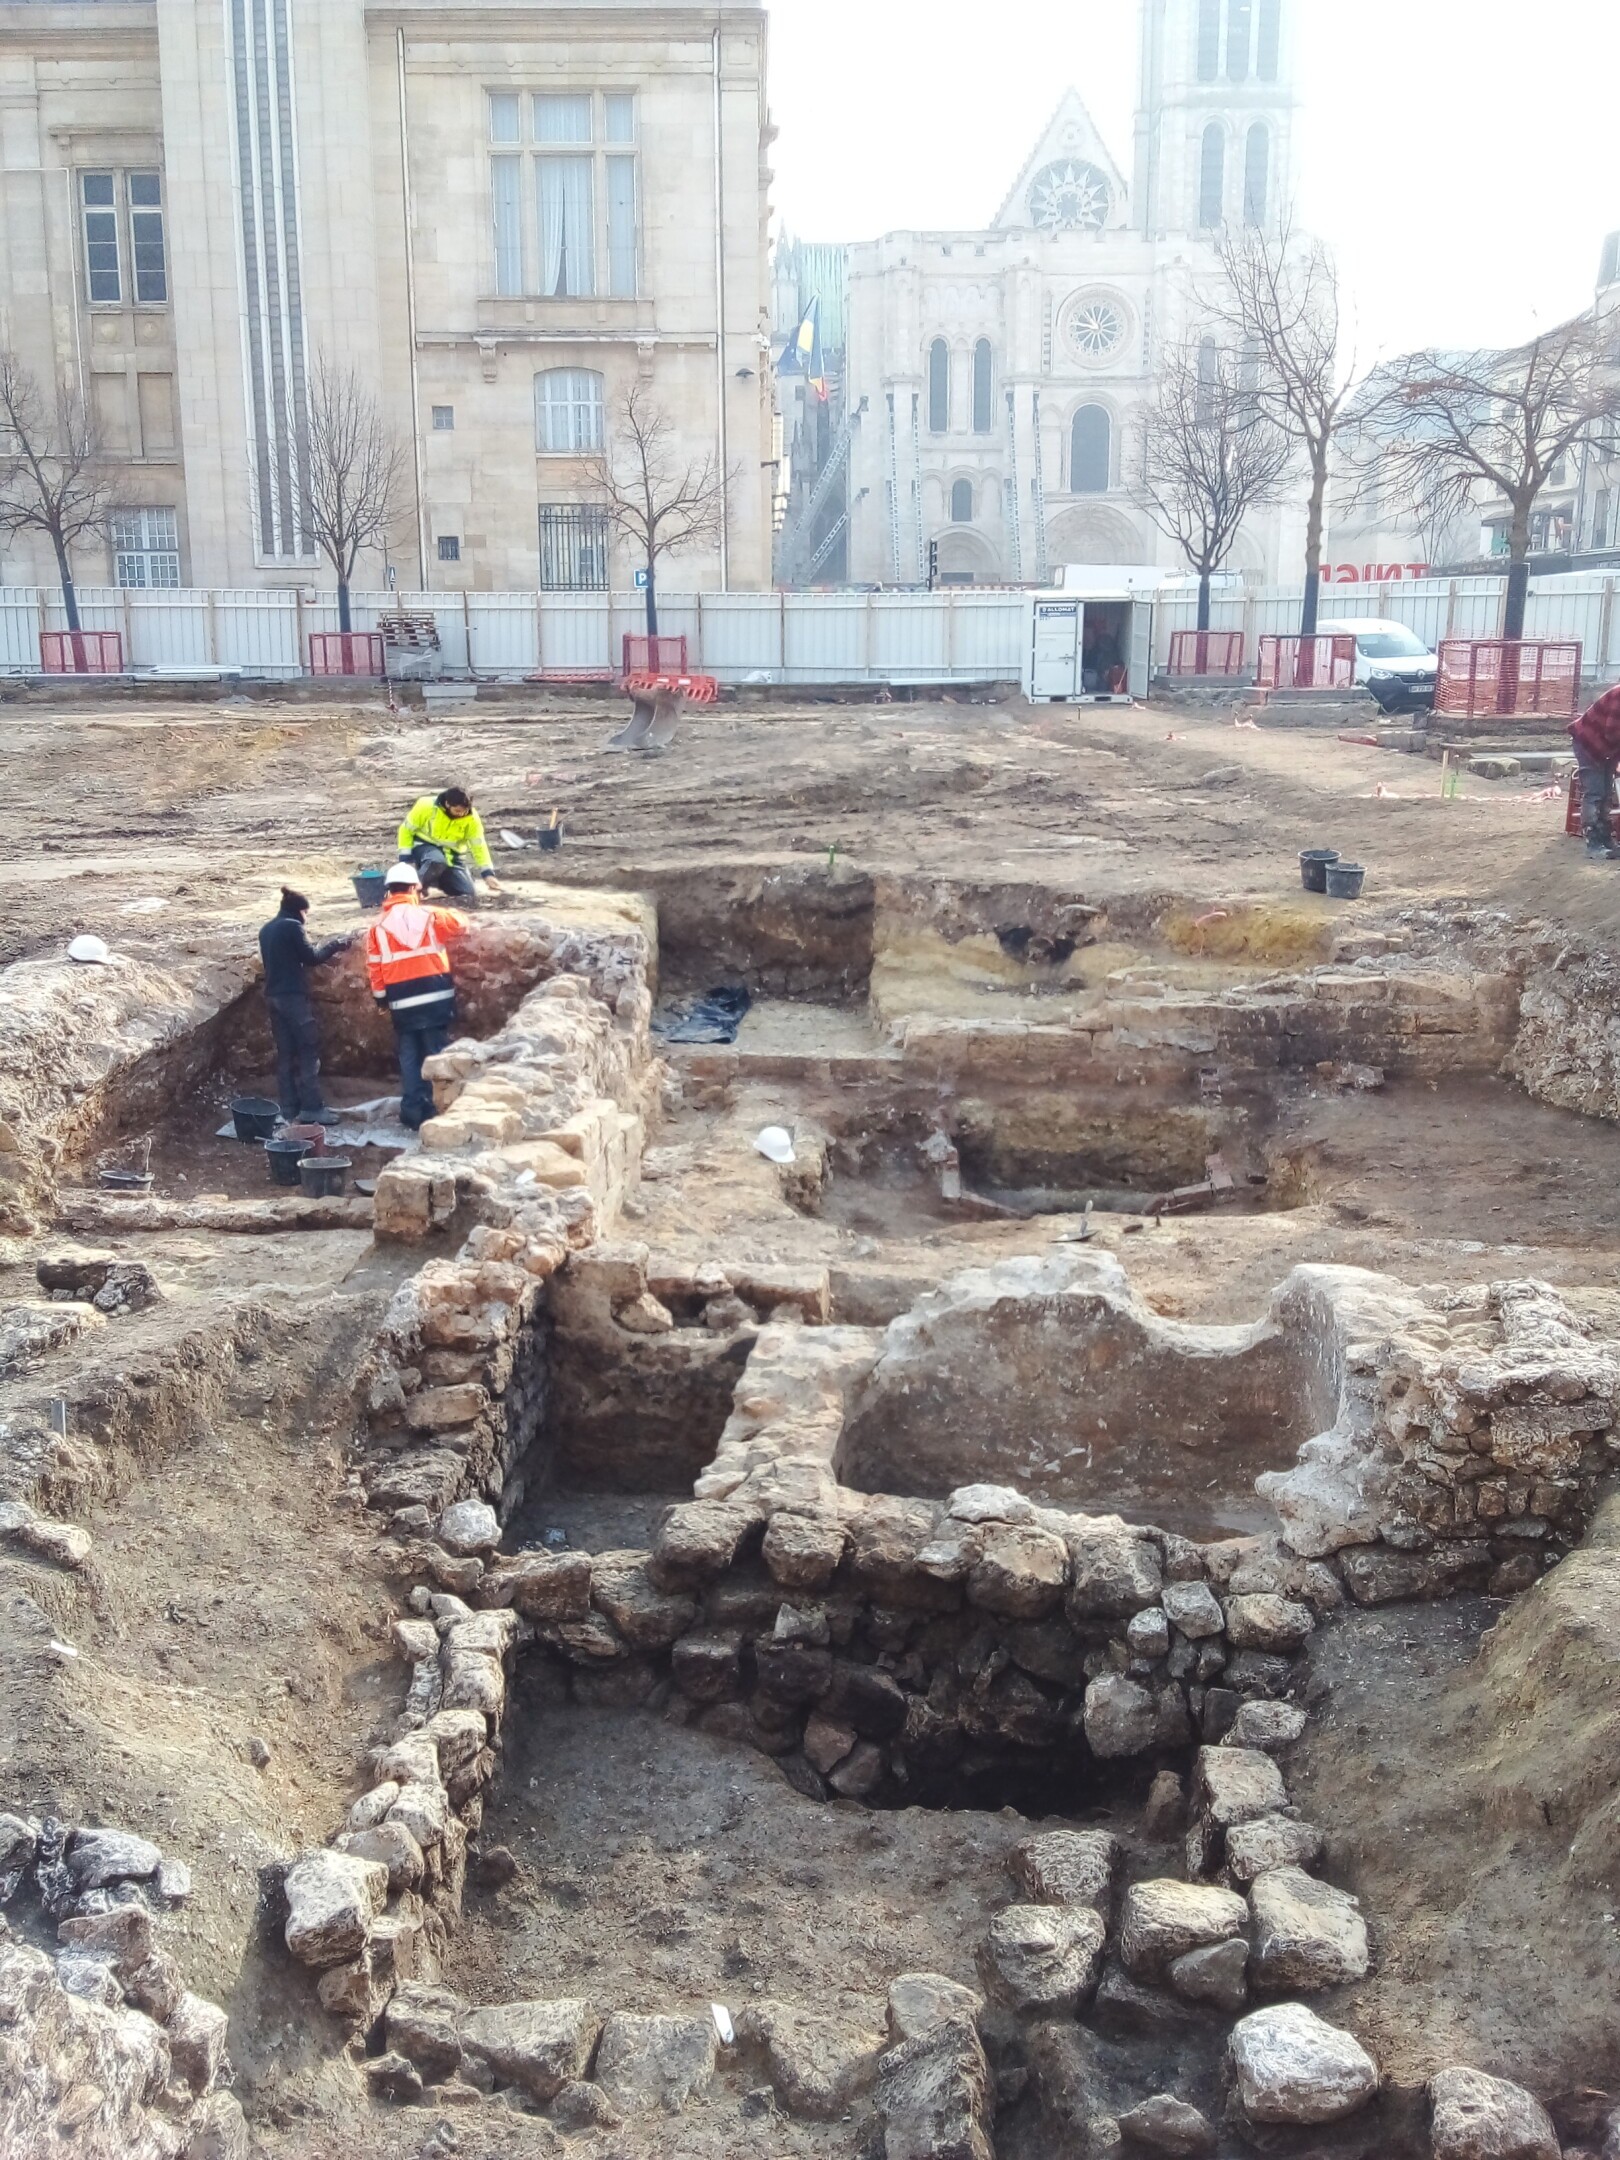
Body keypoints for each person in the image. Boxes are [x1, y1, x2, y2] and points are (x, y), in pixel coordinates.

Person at [364, 862, 471, 1131]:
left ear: (388, 891)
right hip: (435, 995)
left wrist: (381, 999)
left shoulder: (377, 927)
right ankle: (444, 1109)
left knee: (409, 1056)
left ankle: (412, 1112)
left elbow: (375, 967)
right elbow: (461, 924)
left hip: (402, 1002)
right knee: (437, 1053)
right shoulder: (430, 916)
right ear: (415, 888)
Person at [257, 888, 351, 1126]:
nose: (306, 918)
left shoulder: (266, 929)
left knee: (286, 1054)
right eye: (306, 913)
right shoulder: (293, 926)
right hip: (292, 998)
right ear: (300, 911)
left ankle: (288, 1108)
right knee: (308, 1050)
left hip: (273, 997)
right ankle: (311, 1108)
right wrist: (336, 944)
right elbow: (311, 957)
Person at [397, 787, 502, 901]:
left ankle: (436, 881)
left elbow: (479, 846)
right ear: (447, 804)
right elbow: (405, 830)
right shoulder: (425, 806)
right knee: (436, 860)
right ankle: (410, 889)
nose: (461, 814)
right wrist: (405, 860)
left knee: (467, 892)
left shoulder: (472, 819)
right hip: (424, 847)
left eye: (465, 811)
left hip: (452, 856)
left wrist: (488, 874)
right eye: (457, 811)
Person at [1570, 684, 1620, 858]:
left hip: (1608, 749)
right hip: (1589, 743)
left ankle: (1605, 838)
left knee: (1606, 793)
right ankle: (1593, 843)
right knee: (1595, 792)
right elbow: (1612, 732)